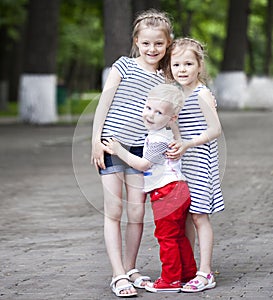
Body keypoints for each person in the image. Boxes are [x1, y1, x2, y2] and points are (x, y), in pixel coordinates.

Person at [91, 9, 173, 298]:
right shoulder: (123, 66)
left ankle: (130, 268)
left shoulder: (167, 75)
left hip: (141, 150)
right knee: (114, 210)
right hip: (111, 145)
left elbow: (180, 103)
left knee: (137, 212)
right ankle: (118, 275)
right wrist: (95, 140)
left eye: (159, 44)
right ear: (137, 41)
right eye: (147, 43)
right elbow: (103, 104)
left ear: (167, 43)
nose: (153, 49)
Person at [103, 83, 197, 293]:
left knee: (167, 237)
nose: (150, 115)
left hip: (167, 193)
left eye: (159, 112)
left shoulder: (158, 139)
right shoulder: (165, 133)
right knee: (178, 235)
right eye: (148, 108)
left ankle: (170, 280)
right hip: (177, 190)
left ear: (171, 118)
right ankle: (187, 273)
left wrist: (119, 150)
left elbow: (143, 164)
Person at [164, 37, 225, 293]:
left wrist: (187, 145)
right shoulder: (177, 93)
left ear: (199, 66)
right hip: (183, 164)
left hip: (201, 162)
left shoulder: (202, 94)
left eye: (188, 63)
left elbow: (216, 129)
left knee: (200, 215)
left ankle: (205, 271)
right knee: (185, 216)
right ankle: (188, 269)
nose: (182, 69)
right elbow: (179, 130)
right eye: (177, 64)